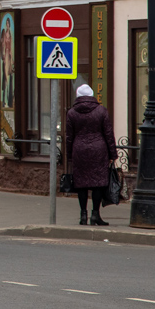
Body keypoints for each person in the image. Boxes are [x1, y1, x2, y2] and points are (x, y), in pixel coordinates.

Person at [65, 83, 115, 226]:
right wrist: (113, 154)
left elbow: (69, 136)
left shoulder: (72, 113)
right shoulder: (101, 111)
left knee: (81, 184)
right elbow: (108, 134)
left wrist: (69, 155)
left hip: (79, 149)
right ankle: (95, 215)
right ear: (92, 95)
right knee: (97, 184)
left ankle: (83, 215)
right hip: (99, 150)